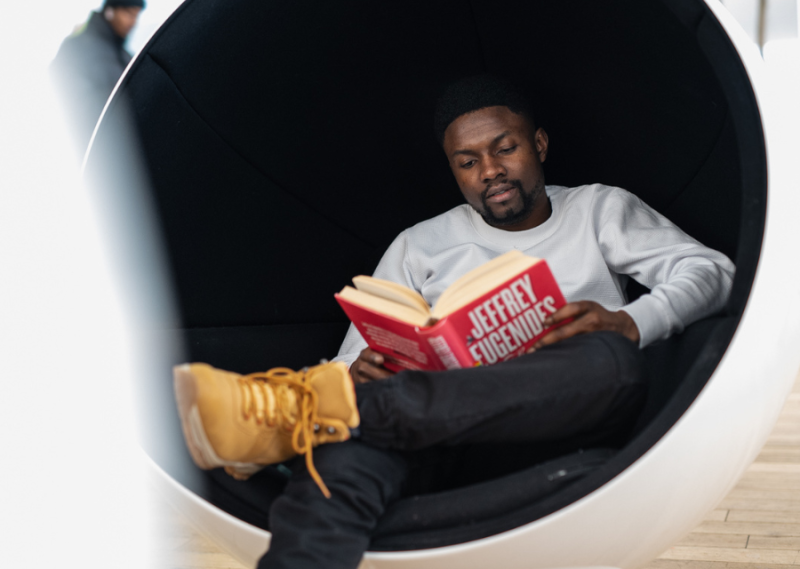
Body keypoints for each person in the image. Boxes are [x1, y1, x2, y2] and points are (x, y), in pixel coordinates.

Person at [172, 75, 736, 569]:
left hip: (562, 420)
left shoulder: (597, 209)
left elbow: (712, 270)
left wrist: (630, 322)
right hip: (437, 437)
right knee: (343, 459)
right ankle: (333, 420)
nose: (490, 171)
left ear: (538, 144)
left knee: (611, 363)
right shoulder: (420, 246)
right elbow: (351, 355)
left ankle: (296, 417)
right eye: (467, 162)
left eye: (505, 148)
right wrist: (358, 368)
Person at [50, 0, 145, 154]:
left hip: (124, 154)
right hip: (88, 155)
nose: (134, 22)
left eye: (137, 15)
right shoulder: (76, 47)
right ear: (111, 10)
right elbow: (60, 102)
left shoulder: (127, 57)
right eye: (130, 14)